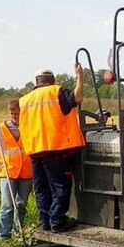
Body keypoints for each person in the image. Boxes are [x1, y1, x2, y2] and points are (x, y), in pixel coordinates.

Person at [19, 64, 85, 233]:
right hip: (54, 148)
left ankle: (46, 222)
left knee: (42, 188)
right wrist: (80, 76)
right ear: (52, 80)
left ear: (36, 81)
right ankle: (57, 220)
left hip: (34, 151)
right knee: (60, 186)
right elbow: (77, 98)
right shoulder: (56, 92)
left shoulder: (25, 99)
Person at [0, 99, 33, 240]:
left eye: (18, 114)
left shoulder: (30, 126)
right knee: (7, 205)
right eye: (12, 114)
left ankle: (18, 232)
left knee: (21, 204)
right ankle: (2, 237)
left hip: (26, 172)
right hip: (8, 171)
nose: (15, 117)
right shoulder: (0, 129)